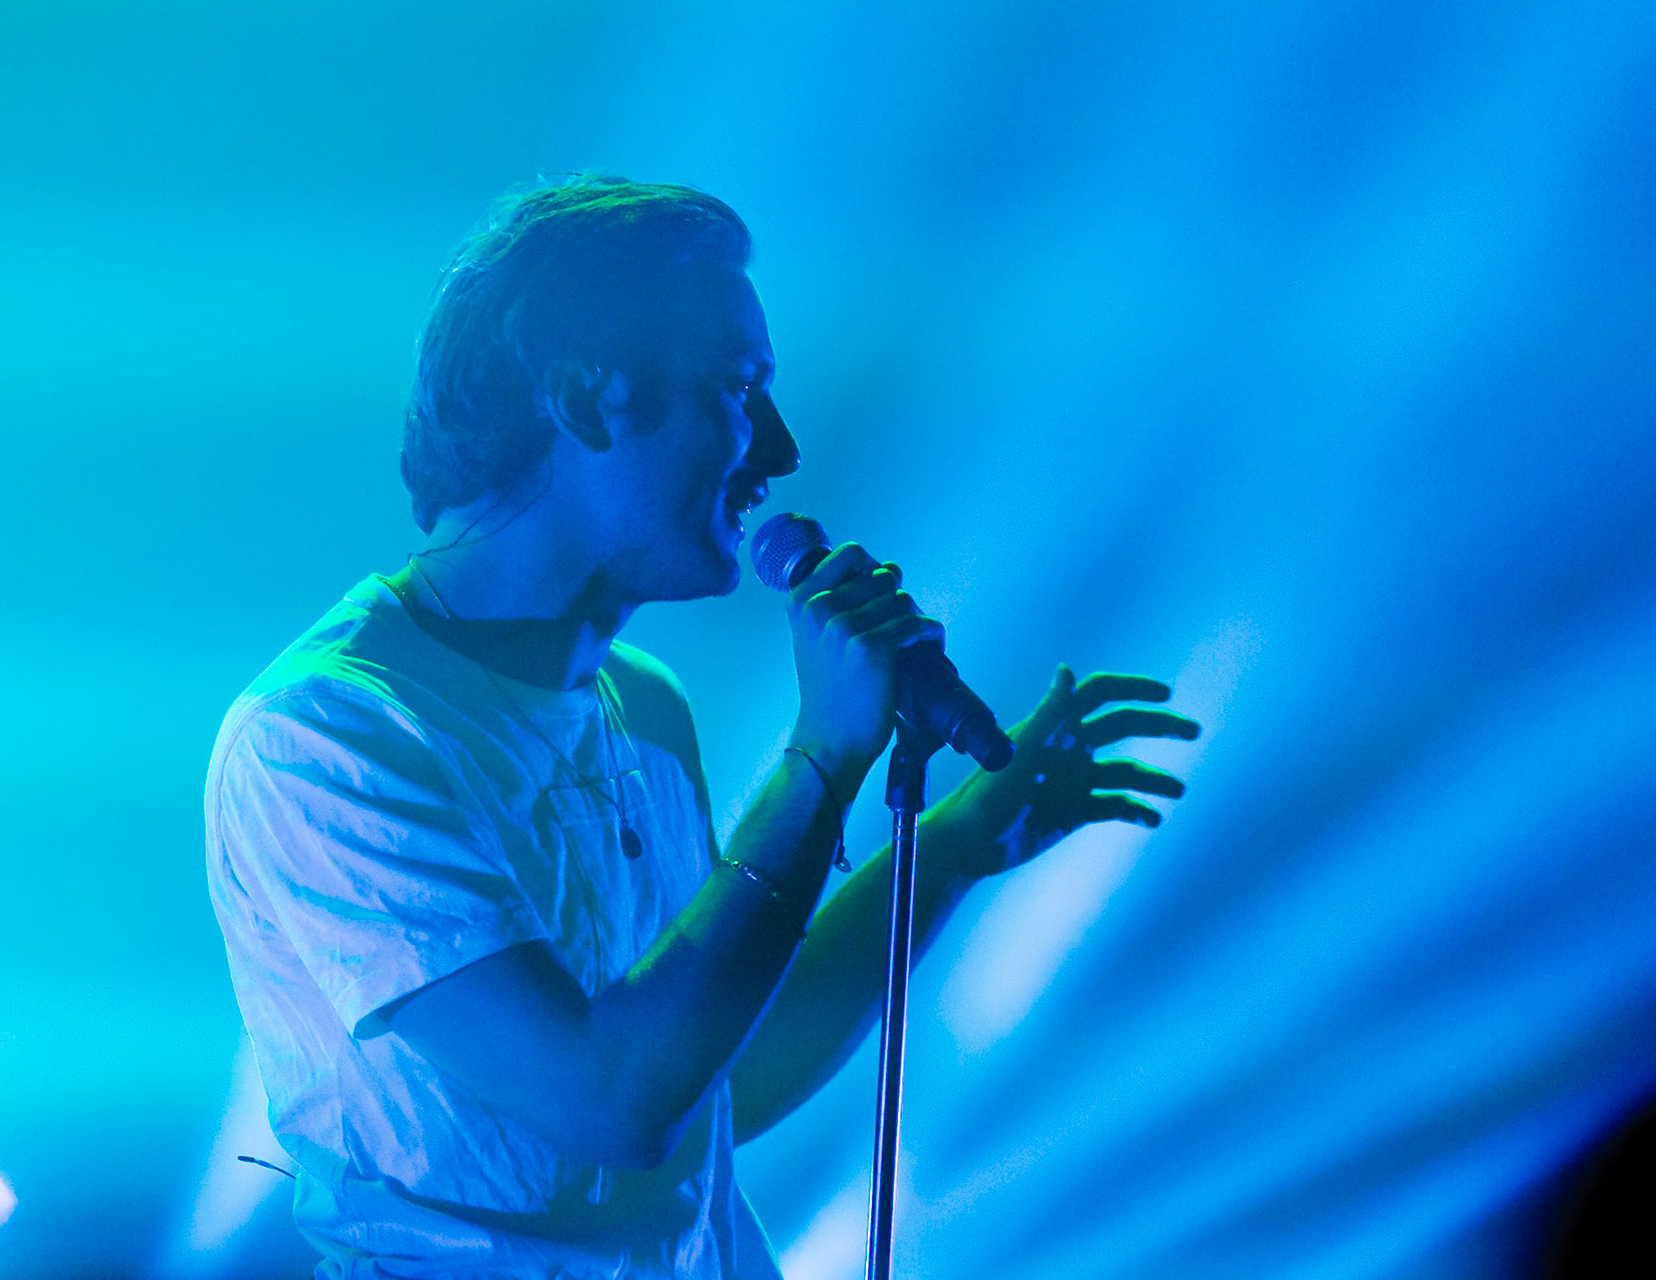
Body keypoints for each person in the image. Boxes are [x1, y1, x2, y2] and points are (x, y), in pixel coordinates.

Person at [205, 175, 1199, 1279]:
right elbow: (611, 1100)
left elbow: (720, 1075)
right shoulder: (327, 735)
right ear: (587, 396)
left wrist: (960, 841)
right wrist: (821, 760)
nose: (777, 449)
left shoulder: (642, 701)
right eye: (738, 388)